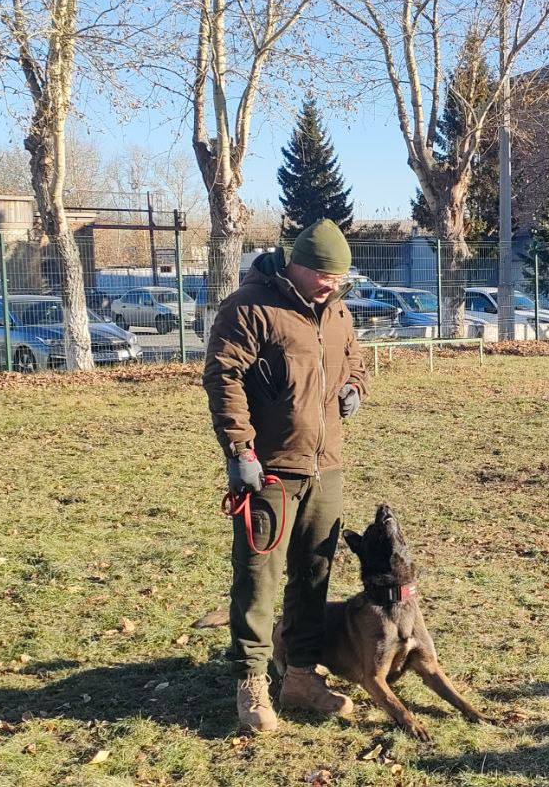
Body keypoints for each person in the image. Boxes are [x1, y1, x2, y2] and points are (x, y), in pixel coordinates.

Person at [203, 218, 367, 733]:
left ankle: (299, 674)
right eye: (324, 275)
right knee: (259, 576)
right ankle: (251, 681)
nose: (333, 284)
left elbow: (353, 360)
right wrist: (240, 450)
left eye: (339, 277)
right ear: (297, 265)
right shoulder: (250, 308)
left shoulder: (336, 310)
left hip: (326, 466)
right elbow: (222, 376)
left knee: (314, 574)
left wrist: (355, 387)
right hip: (269, 470)